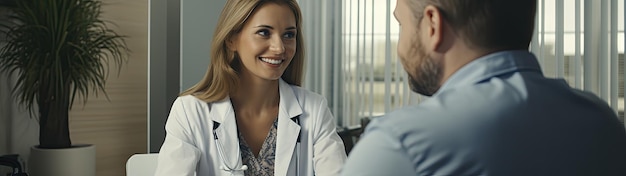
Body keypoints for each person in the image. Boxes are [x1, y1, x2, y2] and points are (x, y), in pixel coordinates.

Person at [341, 0, 626, 175]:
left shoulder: (399, 144)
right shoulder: (603, 123)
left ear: (432, 25)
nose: (400, 46)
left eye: (401, 24)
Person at [155, 0, 347, 175]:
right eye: (264, 32)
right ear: (232, 39)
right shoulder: (190, 111)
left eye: (289, 34)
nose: (279, 47)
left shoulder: (314, 109)